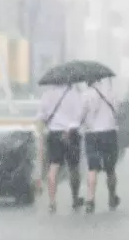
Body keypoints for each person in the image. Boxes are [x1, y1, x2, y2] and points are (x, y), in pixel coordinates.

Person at [36, 83, 87, 213]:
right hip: (72, 133)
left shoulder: (47, 95)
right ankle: (75, 198)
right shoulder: (76, 94)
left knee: (53, 167)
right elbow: (81, 115)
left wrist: (41, 134)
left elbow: (41, 117)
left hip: (54, 134)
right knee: (73, 167)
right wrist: (71, 126)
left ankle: (52, 202)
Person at [82, 81, 122, 213]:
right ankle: (111, 197)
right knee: (110, 169)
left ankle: (90, 200)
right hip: (109, 132)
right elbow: (117, 111)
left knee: (92, 168)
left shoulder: (85, 95)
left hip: (92, 133)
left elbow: (81, 116)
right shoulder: (111, 92)